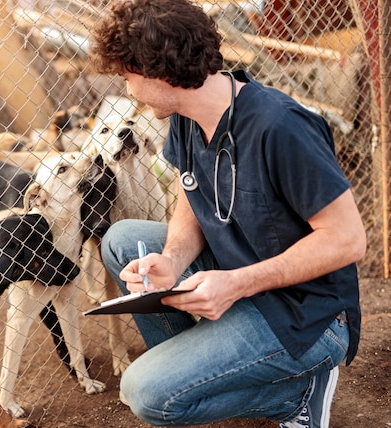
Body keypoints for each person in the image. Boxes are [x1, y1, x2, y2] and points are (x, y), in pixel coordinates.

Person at [89, 1, 367, 427]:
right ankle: (209, 370)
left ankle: (296, 396)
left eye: (128, 77)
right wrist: (173, 259)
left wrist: (236, 283)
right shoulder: (186, 115)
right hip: (242, 277)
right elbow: (192, 192)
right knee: (122, 239)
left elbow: (348, 240)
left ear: (158, 71)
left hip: (308, 314)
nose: (129, 91)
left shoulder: (280, 126)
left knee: (146, 394)